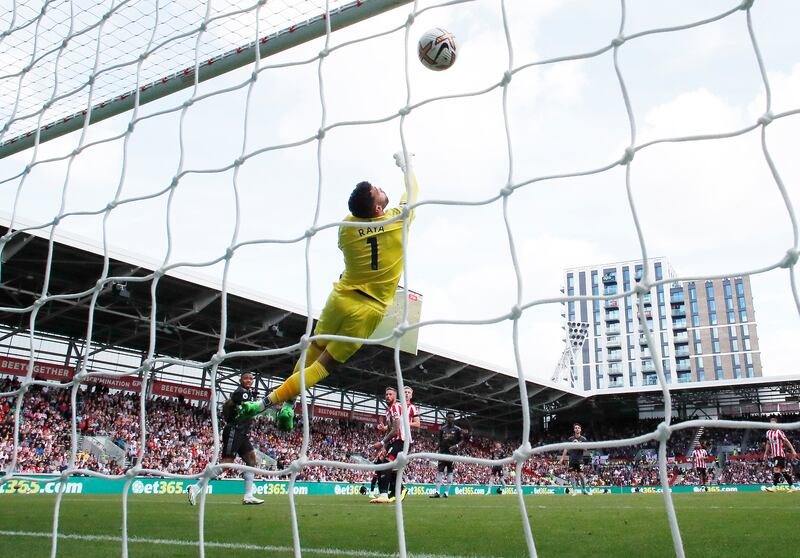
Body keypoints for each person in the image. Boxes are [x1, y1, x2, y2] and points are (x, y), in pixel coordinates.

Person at [237, 151, 418, 431]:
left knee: (311, 351)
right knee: (322, 365)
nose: (382, 190)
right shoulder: (397, 220)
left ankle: (287, 406)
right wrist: (408, 166)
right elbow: (414, 193)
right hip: (368, 311)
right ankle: (265, 404)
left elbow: (359, 230)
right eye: (377, 191)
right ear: (379, 210)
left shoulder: (346, 229)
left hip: (341, 298)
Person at [188, 372, 265, 505]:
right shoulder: (242, 393)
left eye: (251, 379)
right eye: (246, 378)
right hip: (234, 431)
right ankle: (196, 487)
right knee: (226, 462)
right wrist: (267, 403)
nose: (249, 380)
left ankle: (248, 495)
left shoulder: (247, 393)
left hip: (241, 432)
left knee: (251, 459)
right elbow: (251, 409)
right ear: (241, 380)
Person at [370, 386, 415, 503]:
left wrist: (381, 443)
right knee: (379, 463)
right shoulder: (388, 411)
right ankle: (389, 492)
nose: (388, 396)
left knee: (386, 464)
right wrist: (385, 447)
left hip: (402, 442)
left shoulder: (396, 407)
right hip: (394, 442)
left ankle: (386, 494)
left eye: (390, 394)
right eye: (386, 394)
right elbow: (390, 429)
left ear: (395, 396)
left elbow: (395, 430)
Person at [430, 411, 463, 499]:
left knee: (450, 472)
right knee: (439, 471)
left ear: (454, 418)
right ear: (446, 418)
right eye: (449, 417)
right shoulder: (442, 429)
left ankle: (446, 493)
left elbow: (462, 441)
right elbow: (440, 441)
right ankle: (437, 492)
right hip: (442, 453)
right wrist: (435, 449)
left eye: (452, 417)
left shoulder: (458, 429)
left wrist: (455, 446)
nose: (450, 418)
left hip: (452, 455)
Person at [763, 416, 797, 492]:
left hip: (780, 454)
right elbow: (768, 443)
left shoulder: (779, 432)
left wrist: (793, 451)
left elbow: (787, 441)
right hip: (774, 455)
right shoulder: (768, 433)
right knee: (783, 471)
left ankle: (774, 487)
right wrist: (765, 453)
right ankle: (792, 487)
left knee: (776, 469)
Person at [559, 423, 591, 496]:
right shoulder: (570, 439)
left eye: (578, 428)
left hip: (580, 460)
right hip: (572, 459)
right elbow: (566, 448)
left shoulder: (583, 439)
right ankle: (574, 491)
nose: (577, 429)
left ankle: (584, 490)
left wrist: (578, 444)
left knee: (581, 475)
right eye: (576, 428)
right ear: (574, 429)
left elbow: (586, 449)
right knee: (572, 475)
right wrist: (562, 458)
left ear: (580, 430)